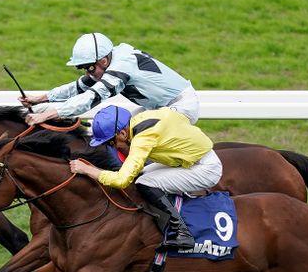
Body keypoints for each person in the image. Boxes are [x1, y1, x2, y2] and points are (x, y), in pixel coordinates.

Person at [68, 105, 222, 249]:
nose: (113, 147)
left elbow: (122, 180)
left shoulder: (143, 139)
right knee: (141, 176)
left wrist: (89, 171)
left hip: (205, 168)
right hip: (191, 158)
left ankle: (183, 233)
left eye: (111, 143)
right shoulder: (141, 119)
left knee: (145, 183)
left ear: (122, 133)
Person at [21, 32, 200, 127]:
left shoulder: (122, 65)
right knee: (115, 131)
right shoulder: (109, 61)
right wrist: (40, 98)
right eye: (84, 68)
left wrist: (46, 115)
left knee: (139, 136)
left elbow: (90, 99)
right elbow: (78, 87)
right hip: (160, 107)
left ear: (104, 60)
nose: (89, 73)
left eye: (90, 68)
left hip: (182, 106)